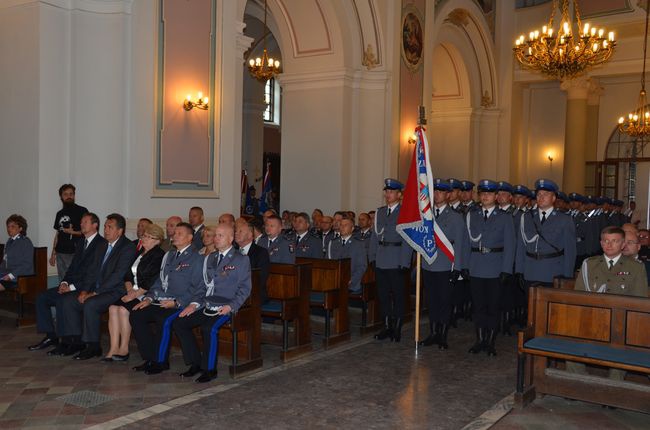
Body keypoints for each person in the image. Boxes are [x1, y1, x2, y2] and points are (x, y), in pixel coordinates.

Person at [173, 224, 252, 383]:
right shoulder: (210, 258)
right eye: (215, 235)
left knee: (208, 328)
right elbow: (202, 286)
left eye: (220, 235)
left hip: (226, 306)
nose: (216, 238)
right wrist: (194, 304)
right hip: (206, 304)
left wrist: (231, 306)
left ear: (230, 239)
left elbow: (245, 288)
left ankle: (209, 369)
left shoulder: (241, 259)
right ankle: (195, 362)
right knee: (180, 323)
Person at [571, 226, 648, 380]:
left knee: (621, 345)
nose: (609, 245)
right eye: (606, 241)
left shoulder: (635, 267)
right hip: (592, 317)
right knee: (571, 337)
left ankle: (614, 385)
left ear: (623, 244)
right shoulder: (589, 264)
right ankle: (577, 380)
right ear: (601, 243)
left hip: (620, 321)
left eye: (614, 241)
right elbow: (578, 297)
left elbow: (640, 301)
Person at [129, 222, 206, 374]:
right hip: (162, 300)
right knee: (137, 315)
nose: (174, 236)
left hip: (182, 303)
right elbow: (159, 281)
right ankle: (150, 357)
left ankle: (160, 361)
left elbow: (198, 287)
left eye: (179, 234)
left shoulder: (197, 258)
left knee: (162, 319)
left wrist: (177, 302)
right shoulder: (169, 255)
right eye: (174, 233)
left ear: (190, 238)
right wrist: (149, 298)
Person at [59, 213, 136, 360]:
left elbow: (118, 276)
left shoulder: (127, 247)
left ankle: (93, 346)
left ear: (120, 231)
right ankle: (76, 341)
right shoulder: (102, 245)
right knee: (68, 300)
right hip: (96, 288)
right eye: (105, 226)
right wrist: (84, 290)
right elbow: (92, 271)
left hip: (115, 290)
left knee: (91, 303)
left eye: (110, 227)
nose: (105, 230)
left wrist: (94, 293)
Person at [29, 213, 105, 354]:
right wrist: (64, 282)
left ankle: (71, 342)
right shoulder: (81, 242)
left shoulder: (101, 244)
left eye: (85, 222)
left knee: (63, 300)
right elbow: (72, 268)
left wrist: (71, 287)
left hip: (87, 288)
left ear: (95, 225)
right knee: (42, 297)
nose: (81, 224)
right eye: (81, 221)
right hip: (72, 284)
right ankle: (51, 336)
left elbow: (93, 273)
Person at [466, 180, 515, 356]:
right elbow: (466, 243)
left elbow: (510, 245)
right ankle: (479, 340)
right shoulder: (473, 215)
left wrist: (506, 269)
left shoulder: (504, 217)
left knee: (493, 307)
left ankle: (491, 341)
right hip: (476, 266)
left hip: (495, 267)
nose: (485, 196)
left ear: (496, 197)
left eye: (489, 193)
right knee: (478, 307)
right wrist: (465, 265)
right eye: (482, 193)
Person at [103, 223, 165, 362]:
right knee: (113, 308)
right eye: (144, 236)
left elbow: (152, 280)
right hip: (132, 290)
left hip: (146, 293)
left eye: (149, 237)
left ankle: (124, 349)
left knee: (124, 310)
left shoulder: (159, 255)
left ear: (158, 241)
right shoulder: (138, 252)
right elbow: (127, 274)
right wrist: (129, 289)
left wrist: (135, 294)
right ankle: (113, 348)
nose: (144, 239)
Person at [418, 179, 467, 349]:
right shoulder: (426, 215)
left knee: (445, 302)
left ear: (447, 195)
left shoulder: (455, 217)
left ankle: (443, 335)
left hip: (446, 265)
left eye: (441, 192)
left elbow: (460, 244)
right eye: (435, 191)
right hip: (428, 264)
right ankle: (432, 333)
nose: (437, 194)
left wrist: (458, 267)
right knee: (431, 301)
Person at [368, 178, 413, 342]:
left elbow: (408, 239)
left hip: (396, 259)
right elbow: (374, 236)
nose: (388, 194)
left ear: (399, 195)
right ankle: (386, 326)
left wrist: (405, 261)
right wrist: (372, 257)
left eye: (392, 192)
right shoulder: (379, 212)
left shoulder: (405, 212)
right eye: (386, 191)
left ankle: (397, 328)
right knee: (383, 296)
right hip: (381, 259)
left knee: (399, 296)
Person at [515, 179, 576, 292]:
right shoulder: (527, 217)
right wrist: (519, 270)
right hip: (530, 271)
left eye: (546, 194)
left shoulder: (564, 219)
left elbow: (570, 250)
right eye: (539, 194)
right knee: (530, 308)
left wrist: (567, 275)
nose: (541, 197)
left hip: (553, 272)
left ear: (553, 198)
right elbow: (521, 246)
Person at [49, 184, 88, 281]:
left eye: (71, 194)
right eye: (65, 194)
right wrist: (53, 253)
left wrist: (73, 232)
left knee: (74, 281)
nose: (69, 196)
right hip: (60, 252)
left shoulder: (82, 211)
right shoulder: (59, 213)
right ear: (61, 197)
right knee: (62, 282)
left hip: (75, 252)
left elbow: (87, 232)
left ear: (74, 195)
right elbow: (58, 234)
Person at [328, 218, 367, 294]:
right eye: (341, 225)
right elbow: (329, 264)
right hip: (334, 283)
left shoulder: (359, 244)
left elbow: (362, 266)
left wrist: (351, 280)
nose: (342, 227)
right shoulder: (332, 243)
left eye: (345, 225)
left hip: (351, 284)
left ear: (352, 228)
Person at [235, 220, 270, 304]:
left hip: (254, 293)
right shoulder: (233, 252)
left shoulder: (261, 252)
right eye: (236, 231)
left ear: (250, 235)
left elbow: (261, 278)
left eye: (240, 231)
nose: (236, 233)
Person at [0, 215, 35, 291]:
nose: (9, 229)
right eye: (8, 226)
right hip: (6, 275)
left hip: (19, 277)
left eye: (12, 226)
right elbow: (4, 262)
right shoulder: (9, 241)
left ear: (20, 228)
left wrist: (10, 275)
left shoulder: (25, 242)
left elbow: (27, 265)